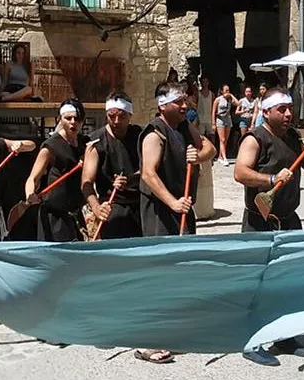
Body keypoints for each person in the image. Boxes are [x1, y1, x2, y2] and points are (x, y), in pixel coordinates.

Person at [233, 87, 304, 366]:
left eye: (289, 108)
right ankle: (252, 340)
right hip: (260, 221)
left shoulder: (293, 136)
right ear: (267, 112)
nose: (287, 114)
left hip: (288, 220)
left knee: (289, 281)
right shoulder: (254, 138)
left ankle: (285, 337)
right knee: (258, 284)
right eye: (281, 109)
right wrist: (271, 180)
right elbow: (240, 172)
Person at [137, 82, 217, 363]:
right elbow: (148, 174)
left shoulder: (182, 127)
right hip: (161, 212)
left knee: (180, 272)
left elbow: (210, 148)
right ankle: (147, 341)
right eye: (178, 102)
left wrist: (199, 155)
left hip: (183, 209)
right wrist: (172, 202)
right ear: (163, 105)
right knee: (157, 276)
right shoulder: (155, 133)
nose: (185, 106)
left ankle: (172, 332)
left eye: (185, 101)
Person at [24, 99, 87, 242]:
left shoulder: (84, 143)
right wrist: (30, 193)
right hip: (55, 216)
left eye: (77, 119)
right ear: (60, 119)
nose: (73, 122)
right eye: (68, 118)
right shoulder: (51, 147)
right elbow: (33, 178)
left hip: (76, 214)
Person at [82, 92, 142, 240]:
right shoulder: (96, 142)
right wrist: (97, 208)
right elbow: (86, 182)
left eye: (122, 116)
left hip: (141, 205)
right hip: (112, 205)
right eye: (111, 116)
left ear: (130, 115)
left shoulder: (141, 136)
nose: (116, 121)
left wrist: (130, 180)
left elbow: (150, 168)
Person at [211, 84, 237, 166]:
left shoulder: (230, 100)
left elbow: (238, 103)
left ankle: (220, 156)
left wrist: (231, 96)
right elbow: (213, 111)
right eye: (226, 90)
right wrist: (213, 123)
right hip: (220, 120)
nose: (227, 92)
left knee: (225, 140)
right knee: (222, 139)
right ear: (222, 91)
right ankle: (225, 158)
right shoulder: (218, 100)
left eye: (228, 90)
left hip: (228, 119)